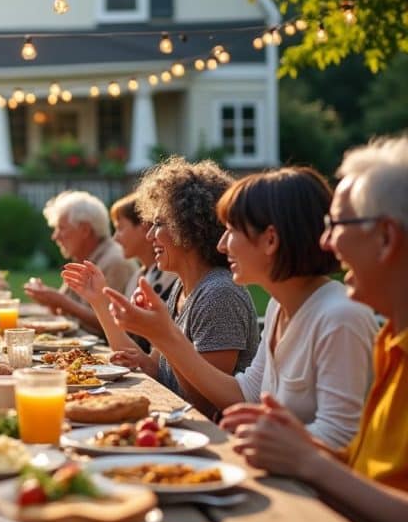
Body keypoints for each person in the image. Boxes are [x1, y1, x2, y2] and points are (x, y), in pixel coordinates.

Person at [85, 168, 376, 448]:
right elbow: (245, 395)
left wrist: (165, 336)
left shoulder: (340, 316)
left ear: (271, 240)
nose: (222, 244)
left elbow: (340, 438)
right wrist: (162, 334)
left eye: (232, 230)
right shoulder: (279, 306)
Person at [221, 137, 408, 522]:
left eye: (338, 224)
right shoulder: (389, 340)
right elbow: (365, 472)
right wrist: (296, 443)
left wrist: (307, 459)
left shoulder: (344, 317)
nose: (325, 243)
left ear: (385, 238)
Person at [61, 158, 259, 416]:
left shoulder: (219, 294)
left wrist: (161, 335)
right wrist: (98, 300)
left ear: (189, 228)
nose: (150, 235)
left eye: (159, 223)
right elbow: (154, 369)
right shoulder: (181, 287)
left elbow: (202, 406)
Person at [24, 190, 137, 332]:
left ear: (85, 230)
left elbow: (114, 324)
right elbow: (68, 318)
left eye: (62, 228)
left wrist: (63, 302)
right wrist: (51, 301)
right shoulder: (85, 258)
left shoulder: (116, 262)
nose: (55, 236)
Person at [108, 193, 178, 352]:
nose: (115, 239)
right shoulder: (139, 276)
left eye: (120, 228)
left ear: (144, 226)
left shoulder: (175, 280)